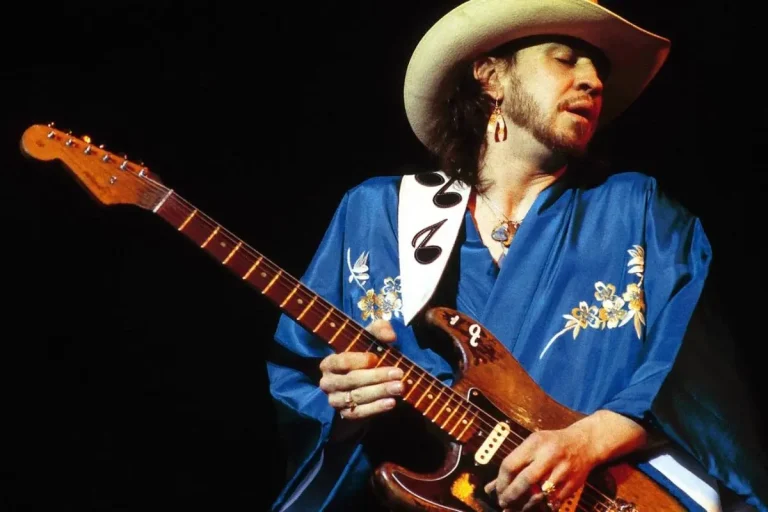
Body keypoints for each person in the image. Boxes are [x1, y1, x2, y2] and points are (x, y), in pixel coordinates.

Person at [265, 0, 767, 510]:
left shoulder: (637, 210)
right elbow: (300, 378)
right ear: (491, 77)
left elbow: (698, 377)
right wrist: (346, 407)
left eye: (600, 70)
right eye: (566, 58)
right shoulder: (377, 214)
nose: (593, 80)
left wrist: (587, 442)